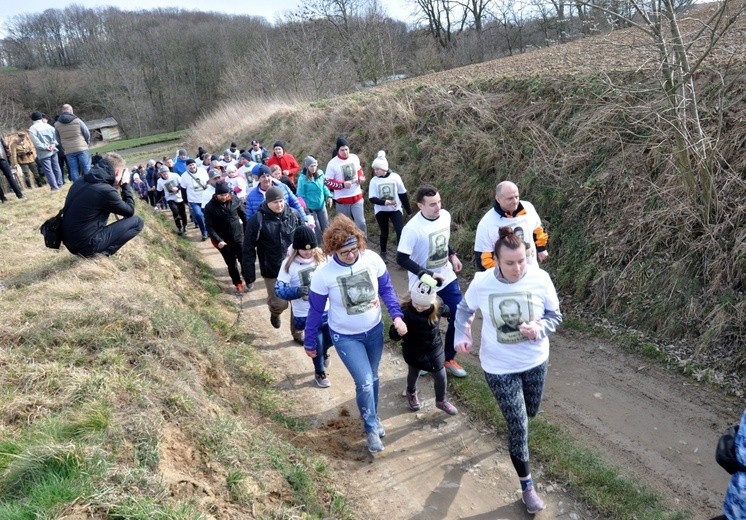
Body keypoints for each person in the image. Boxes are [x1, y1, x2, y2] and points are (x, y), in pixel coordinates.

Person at [455, 226, 562, 515]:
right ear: (496, 260)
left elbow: (555, 316)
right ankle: (528, 486)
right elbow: (465, 310)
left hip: (535, 360)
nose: (517, 269)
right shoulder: (482, 282)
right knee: (519, 425)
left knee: (531, 412)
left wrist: (539, 328)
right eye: (510, 263)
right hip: (498, 366)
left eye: (522, 261)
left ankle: (519, 441)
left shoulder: (541, 279)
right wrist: (463, 336)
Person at [303, 215, 408, 454]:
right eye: (344, 252)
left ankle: (374, 416)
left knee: (374, 377)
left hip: (374, 330)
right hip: (345, 336)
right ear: (333, 251)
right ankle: (370, 428)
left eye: (354, 249)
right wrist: (310, 341)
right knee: (364, 381)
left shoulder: (372, 260)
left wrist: (398, 316)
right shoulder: (323, 274)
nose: (351, 255)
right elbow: (316, 310)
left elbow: (388, 290)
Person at [397, 185, 467, 377]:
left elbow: (443, 238)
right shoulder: (412, 228)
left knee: (458, 314)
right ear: (420, 206)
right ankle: (422, 360)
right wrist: (426, 275)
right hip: (423, 284)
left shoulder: (445, 215)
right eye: (432, 204)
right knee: (423, 324)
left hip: (447, 277)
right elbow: (401, 258)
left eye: (439, 202)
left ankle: (448, 358)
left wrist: (452, 255)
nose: (438, 207)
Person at [389, 274, 458, 415]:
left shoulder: (437, 305)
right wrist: (397, 331)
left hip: (434, 347)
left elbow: (445, 310)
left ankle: (441, 400)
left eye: (424, 305)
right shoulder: (405, 312)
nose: (420, 307)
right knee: (414, 372)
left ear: (432, 303)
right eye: (417, 304)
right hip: (414, 349)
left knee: (440, 374)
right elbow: (392, 334)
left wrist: (449, 314)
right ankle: (411, 392)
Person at [275, 226, 333, 387]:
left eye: (311, 248)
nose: (308, 252)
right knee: (317, 342)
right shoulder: (288, 264)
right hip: (305, 313)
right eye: (304, 249)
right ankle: (319, 372)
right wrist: (297, 291)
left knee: (331, 339)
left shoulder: (322, 258)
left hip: (328, 309)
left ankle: (324, 353)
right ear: (296, 248)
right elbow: (279, 290)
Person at [242, 186, 305, 331]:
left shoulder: (293, 215)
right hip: (272, 269)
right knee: (280, 303)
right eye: (275, 202)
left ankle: (298, 333)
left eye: (281, 201)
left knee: (298, 303)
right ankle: (275, 312)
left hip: (294, 266)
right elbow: (248, 249)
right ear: (268, 202)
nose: (279, 205)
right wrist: (249, 274)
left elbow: (304, 237)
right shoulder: (257, 220)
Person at [61, 152, 144, 257]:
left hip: (70, 242)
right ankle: (104, 254)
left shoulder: (81, 181)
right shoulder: (104, 190)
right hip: (86, 246)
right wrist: (125, 185)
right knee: (137, 222)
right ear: (118, 173)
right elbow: (129, 211)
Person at [474, 181, 549, 271]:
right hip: (505, 280)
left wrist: (541, 248)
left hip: (531, 272)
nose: (515, 201)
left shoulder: (528, 208)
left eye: (516, 197)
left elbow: (537, 230)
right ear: (498, 199)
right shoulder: (486, 223)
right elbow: (483, 258)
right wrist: (502, 275)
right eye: (510, 198)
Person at [368, 150, 412, 264]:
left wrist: (408, 210)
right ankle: (383, 253)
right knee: (384, 233)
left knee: (400, 231)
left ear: (384, 168)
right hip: (381, 211)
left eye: (377, 169)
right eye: (374, 169)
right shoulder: (374, 181)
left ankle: (401, 254)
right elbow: (371, 198)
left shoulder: (395, 177)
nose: (375, 171)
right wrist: (384, 202)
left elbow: (403, 194)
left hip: (395, 209)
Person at [205, 180, 247, 296]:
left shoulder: (235, 200)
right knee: (231, 264)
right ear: (216, 195)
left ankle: (246, 276)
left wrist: (247, 232)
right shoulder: (210, 207)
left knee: (244, 260)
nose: (224, 197)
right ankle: (238, 284)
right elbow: (209, 226)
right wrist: (218, 240)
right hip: (224, 242)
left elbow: (244, 216)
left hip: (239, 237)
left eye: (226, 194)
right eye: (221, 195)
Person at [324, 137, 366, 236]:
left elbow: (359, 170)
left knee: (361, 223)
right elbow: (327, 181)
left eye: (346, 149)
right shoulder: (332, 164)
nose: (345, 152)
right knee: (346, 226)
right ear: (338, 150)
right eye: (342, 150)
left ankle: (363, 243)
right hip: (342, 200)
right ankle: (348, 246)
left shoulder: (354, 158)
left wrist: (361, 178)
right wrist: (342, 185)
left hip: (357, 197)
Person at [296, 156, 333, 244]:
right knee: (317, 229)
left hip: (321, 205)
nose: (314, 168)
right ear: (307, 167)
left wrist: (329, 196)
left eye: (315, 166)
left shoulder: (320, 174)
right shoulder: (302, 178)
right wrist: (305, 207)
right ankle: (318, 247)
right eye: (311, 166)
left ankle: (328, 245)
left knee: (326, 227)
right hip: (311, 207)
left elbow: (323, 187)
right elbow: (300, 194)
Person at [53, 104, 91, 182]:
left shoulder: (56, 124)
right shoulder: (77, 120)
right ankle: (90, 183)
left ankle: (77, 186)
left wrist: (63, 146)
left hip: (68, 150)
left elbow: (57, 138)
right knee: (86, 167)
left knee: (73, 169)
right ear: (70, 110)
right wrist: (87, 142)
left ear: (62, 111)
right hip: (81, 147)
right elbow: (86, 132)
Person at [28, 111, 63, 190]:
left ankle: (54, 187)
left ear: (32, 119)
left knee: (48, 170)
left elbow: (36, 143)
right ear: (41, 117)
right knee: (56, 167)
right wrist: (53, 145)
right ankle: (59, 184)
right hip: (53, 149)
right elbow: (56, 138)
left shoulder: (32, 129)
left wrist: (46, 147)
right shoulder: (49, 126)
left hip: (43, 152)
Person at [180, 158, 209, 240]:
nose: (192, 166)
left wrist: (208, 185)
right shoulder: (184, 176)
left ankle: (209, 230)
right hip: (193, 199)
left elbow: (208, 181)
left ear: (195, 164)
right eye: (189, 165)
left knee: (207, 215)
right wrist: (185, 200)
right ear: (187, 167)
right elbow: (183, 189)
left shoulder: (202, 171)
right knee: (199, 215)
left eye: (193, 164)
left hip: (204, 198)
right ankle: (204, 232)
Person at [156, 165, 188, 235]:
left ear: (169, 172)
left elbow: (182, 184)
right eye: (163, 174)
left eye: (166, 173)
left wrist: (177, 188)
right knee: (175, 211)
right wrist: (158, 202)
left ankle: (185, 226)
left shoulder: (175, 175)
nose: (165, 175)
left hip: (179, 197)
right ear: (161, 174)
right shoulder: (160, 181)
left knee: (183, 212)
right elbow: (158, 191)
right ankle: (179, 227)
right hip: (170, 198)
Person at [0, 133, 26, 201]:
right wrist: (8, 157)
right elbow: (5, 145)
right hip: (2, 158)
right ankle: (20, 195)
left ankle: (3, 198)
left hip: (2, 158)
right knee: (10, 177)